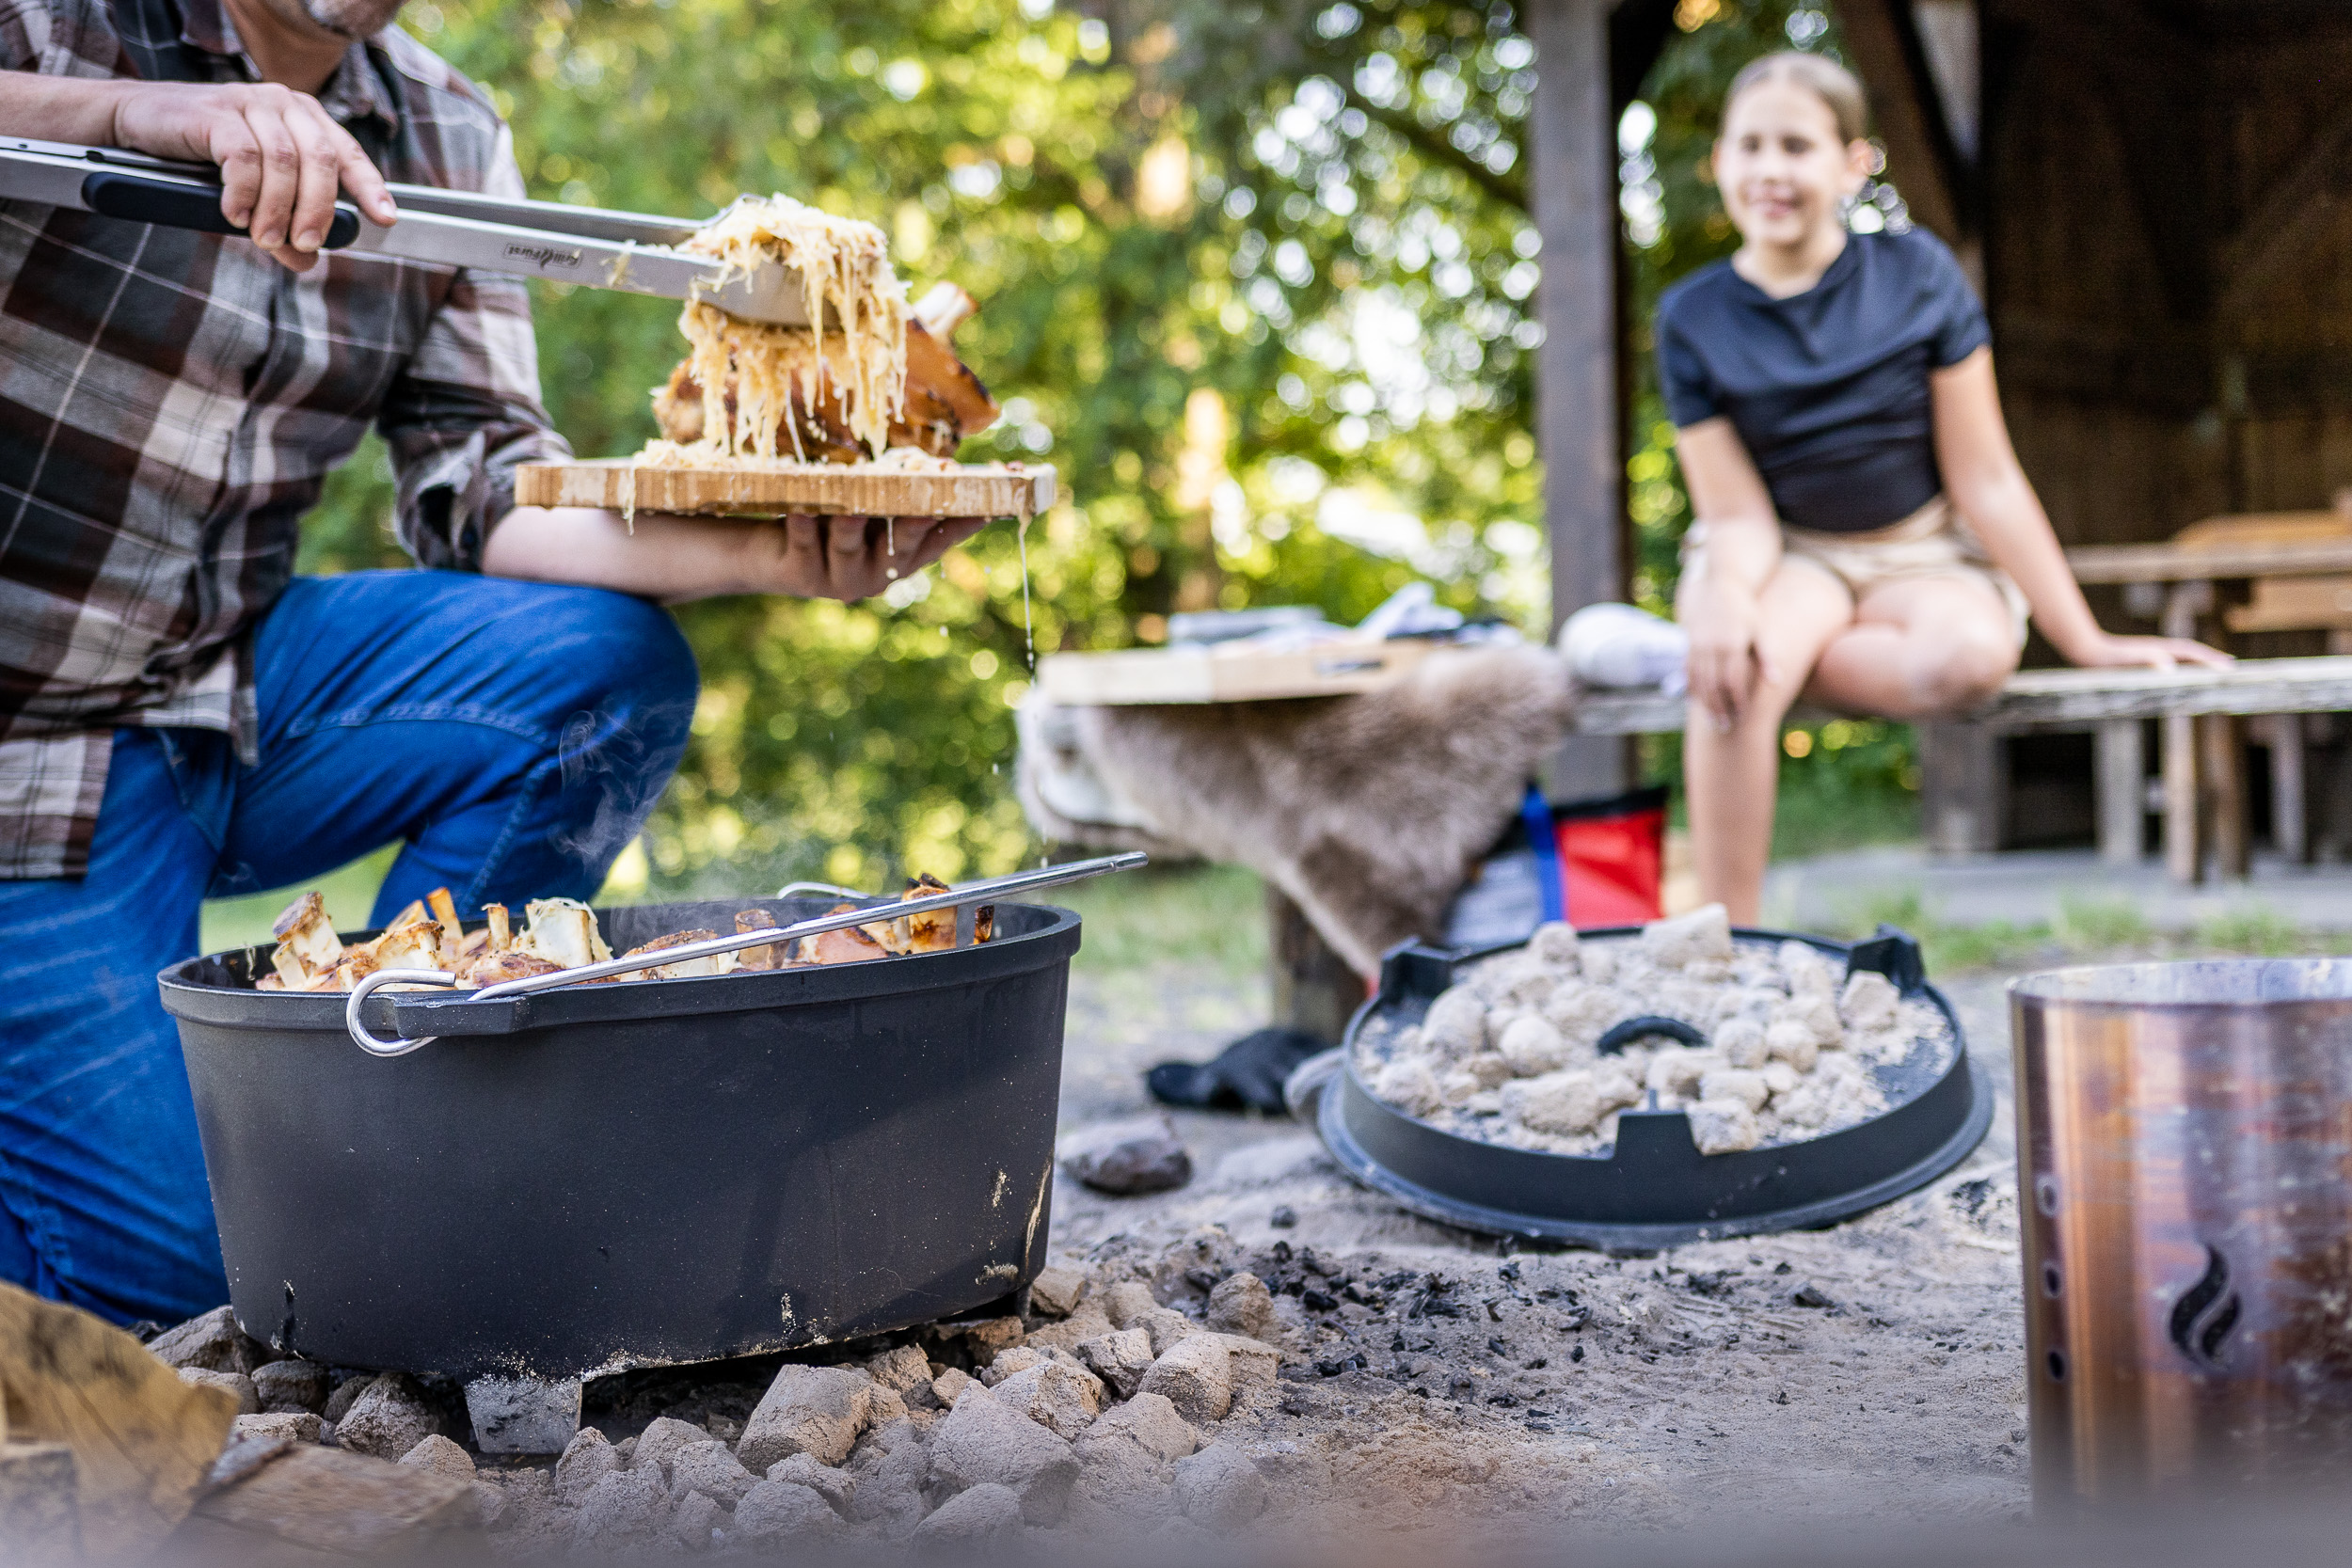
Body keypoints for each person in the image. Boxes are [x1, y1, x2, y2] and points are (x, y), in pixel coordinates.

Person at [0, 0, 986, 1326]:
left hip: (218, 688)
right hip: (25, 767)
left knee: (596, 672)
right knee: (194, 1283)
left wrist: (776, 556)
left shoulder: (448, 132)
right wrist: (137, 116)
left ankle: (400, 1148)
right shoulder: (59, 26)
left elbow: (486, 487)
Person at [1658, 52, 2225, 922]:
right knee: (1738, 672)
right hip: (1789, 553)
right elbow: (1735, 514)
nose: (1771, 170)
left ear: (1854, 162)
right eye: (1750, 146)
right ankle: (1726, 940)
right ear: (1721, 159)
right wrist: (1731, 596)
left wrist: (2086, 639)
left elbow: (1987, 476)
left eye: (1797, 147)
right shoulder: (1691, 318)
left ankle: (1775, 654)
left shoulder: (1918, 275)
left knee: (1970, 657)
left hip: (1921, 548)